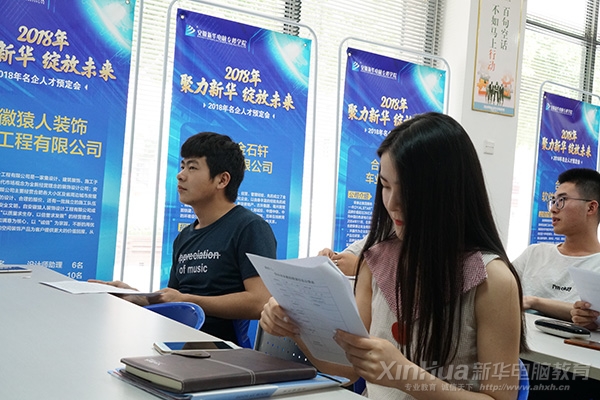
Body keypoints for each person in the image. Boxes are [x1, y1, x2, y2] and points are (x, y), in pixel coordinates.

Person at [260, 112, 527, 399]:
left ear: (447, 191)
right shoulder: (376, 261)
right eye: (385, 186)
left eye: (408, 190)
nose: (392, 203)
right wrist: (294, 329)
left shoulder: (492, 280)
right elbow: (349, 370)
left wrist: (403, 375)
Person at [92, 132, 276, 345]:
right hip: (181, 348)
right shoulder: (184, 237)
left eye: (192, 167)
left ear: (222, 180)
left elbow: (260, 301)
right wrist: (139, 297)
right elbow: (174, 300)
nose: (180, 175)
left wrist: (187, 300)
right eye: (182, 166)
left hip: (224, 354)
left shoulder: (249, 227)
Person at [512, 168, 600, 321]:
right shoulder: (535, 254)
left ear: (591, 207)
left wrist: (534, 302)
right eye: (553, 201)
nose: (553, 209)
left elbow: (593, 316)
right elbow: (499, 291)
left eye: (562, 200)